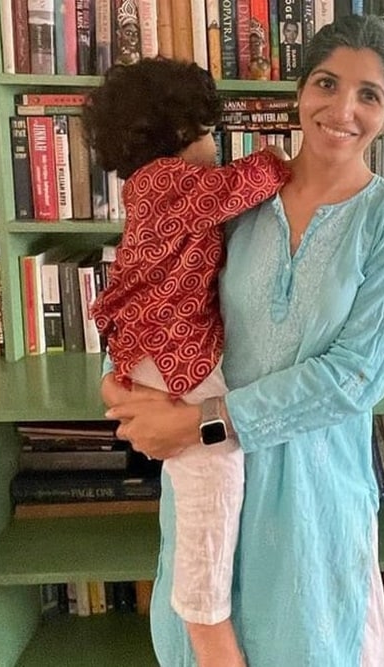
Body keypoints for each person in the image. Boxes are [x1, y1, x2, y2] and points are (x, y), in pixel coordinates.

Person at [101, 14, 384, 666]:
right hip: (211, 493)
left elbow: (354, 379)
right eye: (327, 83)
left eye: (368, 94)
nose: (343, 109)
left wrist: (199, 425)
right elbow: (153, 291)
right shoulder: (231, 200)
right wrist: (121, 384)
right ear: (299, 92)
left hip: (312, 500)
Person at [83, 57, 291, 667]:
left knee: (195, 478)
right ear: (178, 133)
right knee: (212, 474)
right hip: (171, 352)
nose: (214, 148)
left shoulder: (152, 188)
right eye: (208, 133)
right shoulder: (166, 182)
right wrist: (282, 162)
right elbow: (236, 187)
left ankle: (202, 612)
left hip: (162, 348)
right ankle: (207, 625)